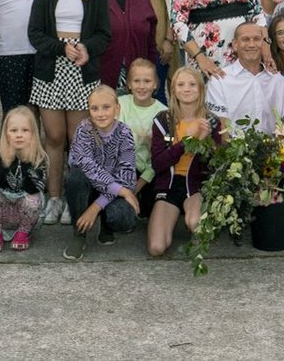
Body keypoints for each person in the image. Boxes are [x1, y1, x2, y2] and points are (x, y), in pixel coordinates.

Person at [27, 0, 111, 225]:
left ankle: (75, 198)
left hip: (81, 72)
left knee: (78, 139)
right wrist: (62, 48)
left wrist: (86, 49)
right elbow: (35, 34)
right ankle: (53, 197)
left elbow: (104, 35)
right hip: (52, 69)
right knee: (53, 136)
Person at [147, 67, 222, 257]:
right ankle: (171, 217)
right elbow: (158, 164)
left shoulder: (211, 120)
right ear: (173, 90)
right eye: (180, 85)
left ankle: (193, 217)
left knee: (196, 224)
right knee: (156, 248)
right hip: (168, 186)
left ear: (201, 90)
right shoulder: (163, 119)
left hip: (195, 186)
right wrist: (185, 142)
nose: (186, 89)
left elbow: (216, 165)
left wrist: (206, 142)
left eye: (192, 84)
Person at [63, 85, 138, 260]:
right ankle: (79, 234)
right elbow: (88, 168)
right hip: (87, 188)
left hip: (111, 192)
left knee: (124, 217)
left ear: (117, 109)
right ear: (89, 110)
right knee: (74, 178)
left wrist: (96, 207)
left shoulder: (125, 133)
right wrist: (123, 191)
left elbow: (126, 178)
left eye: (106, 107)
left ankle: (106, 224)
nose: (100, 113)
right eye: (94, 108)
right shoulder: (84, 129)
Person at [0, 105, 48, 252]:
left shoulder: (38, 157)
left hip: (24, 211)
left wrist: (25, 161)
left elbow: (33, 188)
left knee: (34, 198)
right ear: (6, 133)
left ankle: (23, 232)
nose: (19, 135)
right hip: (1, 211)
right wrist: (6, 162)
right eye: (14, 130)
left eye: (25, 130)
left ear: (33, 134)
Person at [205, 21, 284, 134]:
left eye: (257, 39)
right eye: (245, 39)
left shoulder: (277, 80)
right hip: (231, 149)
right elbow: (218, 127)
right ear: (235, 45)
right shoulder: (220, 81)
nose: (252, 44)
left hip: (274, 148)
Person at [118, 59, 167, 219]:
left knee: (148, 211)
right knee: (122, 214)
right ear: (129, 84)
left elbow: (165, 153)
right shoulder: (120, 105)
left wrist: (140, 184)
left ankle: (143, 198)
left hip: (151, 170)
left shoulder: (164, 113)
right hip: (124, 167)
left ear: (155, 84)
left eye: (147, 81)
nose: (141, 86)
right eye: (136, 81)